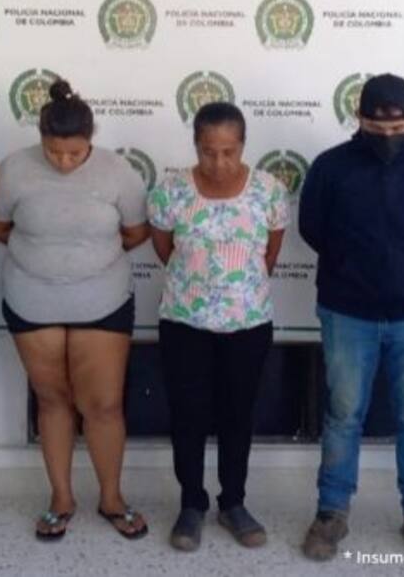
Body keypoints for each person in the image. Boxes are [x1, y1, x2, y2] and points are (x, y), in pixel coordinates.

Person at [298, 73, 404, 563]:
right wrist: (354, 268)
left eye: (399, 128)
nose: (389, 137)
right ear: (360, 119)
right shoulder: (331, 167)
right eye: (378, 128)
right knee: (343, 413)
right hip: (346, 311)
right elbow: (312, 228)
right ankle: (331, 511)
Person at [0, 79, 151, 541]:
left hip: (102, 299)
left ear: (91, 139)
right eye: (54, 152)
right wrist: (47, 259)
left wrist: (86, 262)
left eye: (75, 153)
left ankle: (111, 498)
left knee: (103, 404)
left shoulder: (118, 171)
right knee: (52, 400)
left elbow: (136, 232)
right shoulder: (15, 168)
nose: (64, 162)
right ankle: (61, 498)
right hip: (30, 298)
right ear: (40, 137)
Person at [147, 101, 288, 551]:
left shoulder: (269, 190)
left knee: (237, 414)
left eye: (229, 151)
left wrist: (236, 292)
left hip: (248, 323)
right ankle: (191, 503)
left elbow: (270, 253)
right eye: (209, 151)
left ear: (243, 145)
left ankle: (233, 503)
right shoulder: (171, 191)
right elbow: (165, 249)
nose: (219, 162)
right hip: (185, 322)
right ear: (195, 145)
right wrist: (199, 286)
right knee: (187, 414)